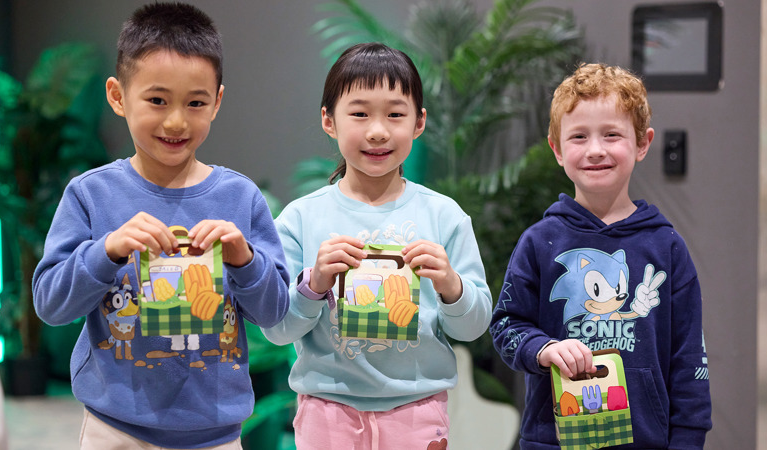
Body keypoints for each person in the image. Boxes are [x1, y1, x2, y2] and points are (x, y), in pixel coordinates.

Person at [32, 3, 290, 449]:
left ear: (217, 102)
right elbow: (51, 305)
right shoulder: (91, 194)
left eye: (195, 103)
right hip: (114, 428)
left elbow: (275, 314)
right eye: (157, 100)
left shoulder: (240, 198)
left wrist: (244, 260)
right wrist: (106, 251)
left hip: (215, 433)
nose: (176, 121)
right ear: (118, 96)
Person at [261, 42, 492, 449]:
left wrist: (451, 286)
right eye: (360, 113)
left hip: (418, 411)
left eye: (395, 114)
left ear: (419, 122)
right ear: (329, 120)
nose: (378, 131)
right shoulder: (300, 219)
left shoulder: (444, 216)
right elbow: (277, 330)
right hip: (326, 412)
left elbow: (472, 327)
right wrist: (313, 284)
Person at [489, 63, 712, 449]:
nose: (595, 150)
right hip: (552, 442)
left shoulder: (668, 248)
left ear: (642, 143)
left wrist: (688, 440)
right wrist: (544, 348)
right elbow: (506, 326)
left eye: (612, 134)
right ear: (557, 149)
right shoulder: (538, 242)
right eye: (579, 136)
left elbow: (689, 360)